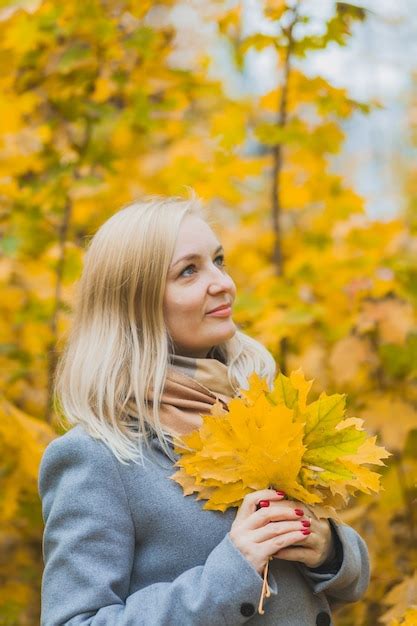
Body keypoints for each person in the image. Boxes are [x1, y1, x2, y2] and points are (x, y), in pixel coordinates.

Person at [38, 192, 370, 626]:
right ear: (134, 303)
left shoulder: (257, 407)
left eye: (219, 260)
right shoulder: (96, 456)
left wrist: (329, 549)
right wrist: (231, 574)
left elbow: (334, 588)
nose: (222, 283)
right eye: (189, 271)